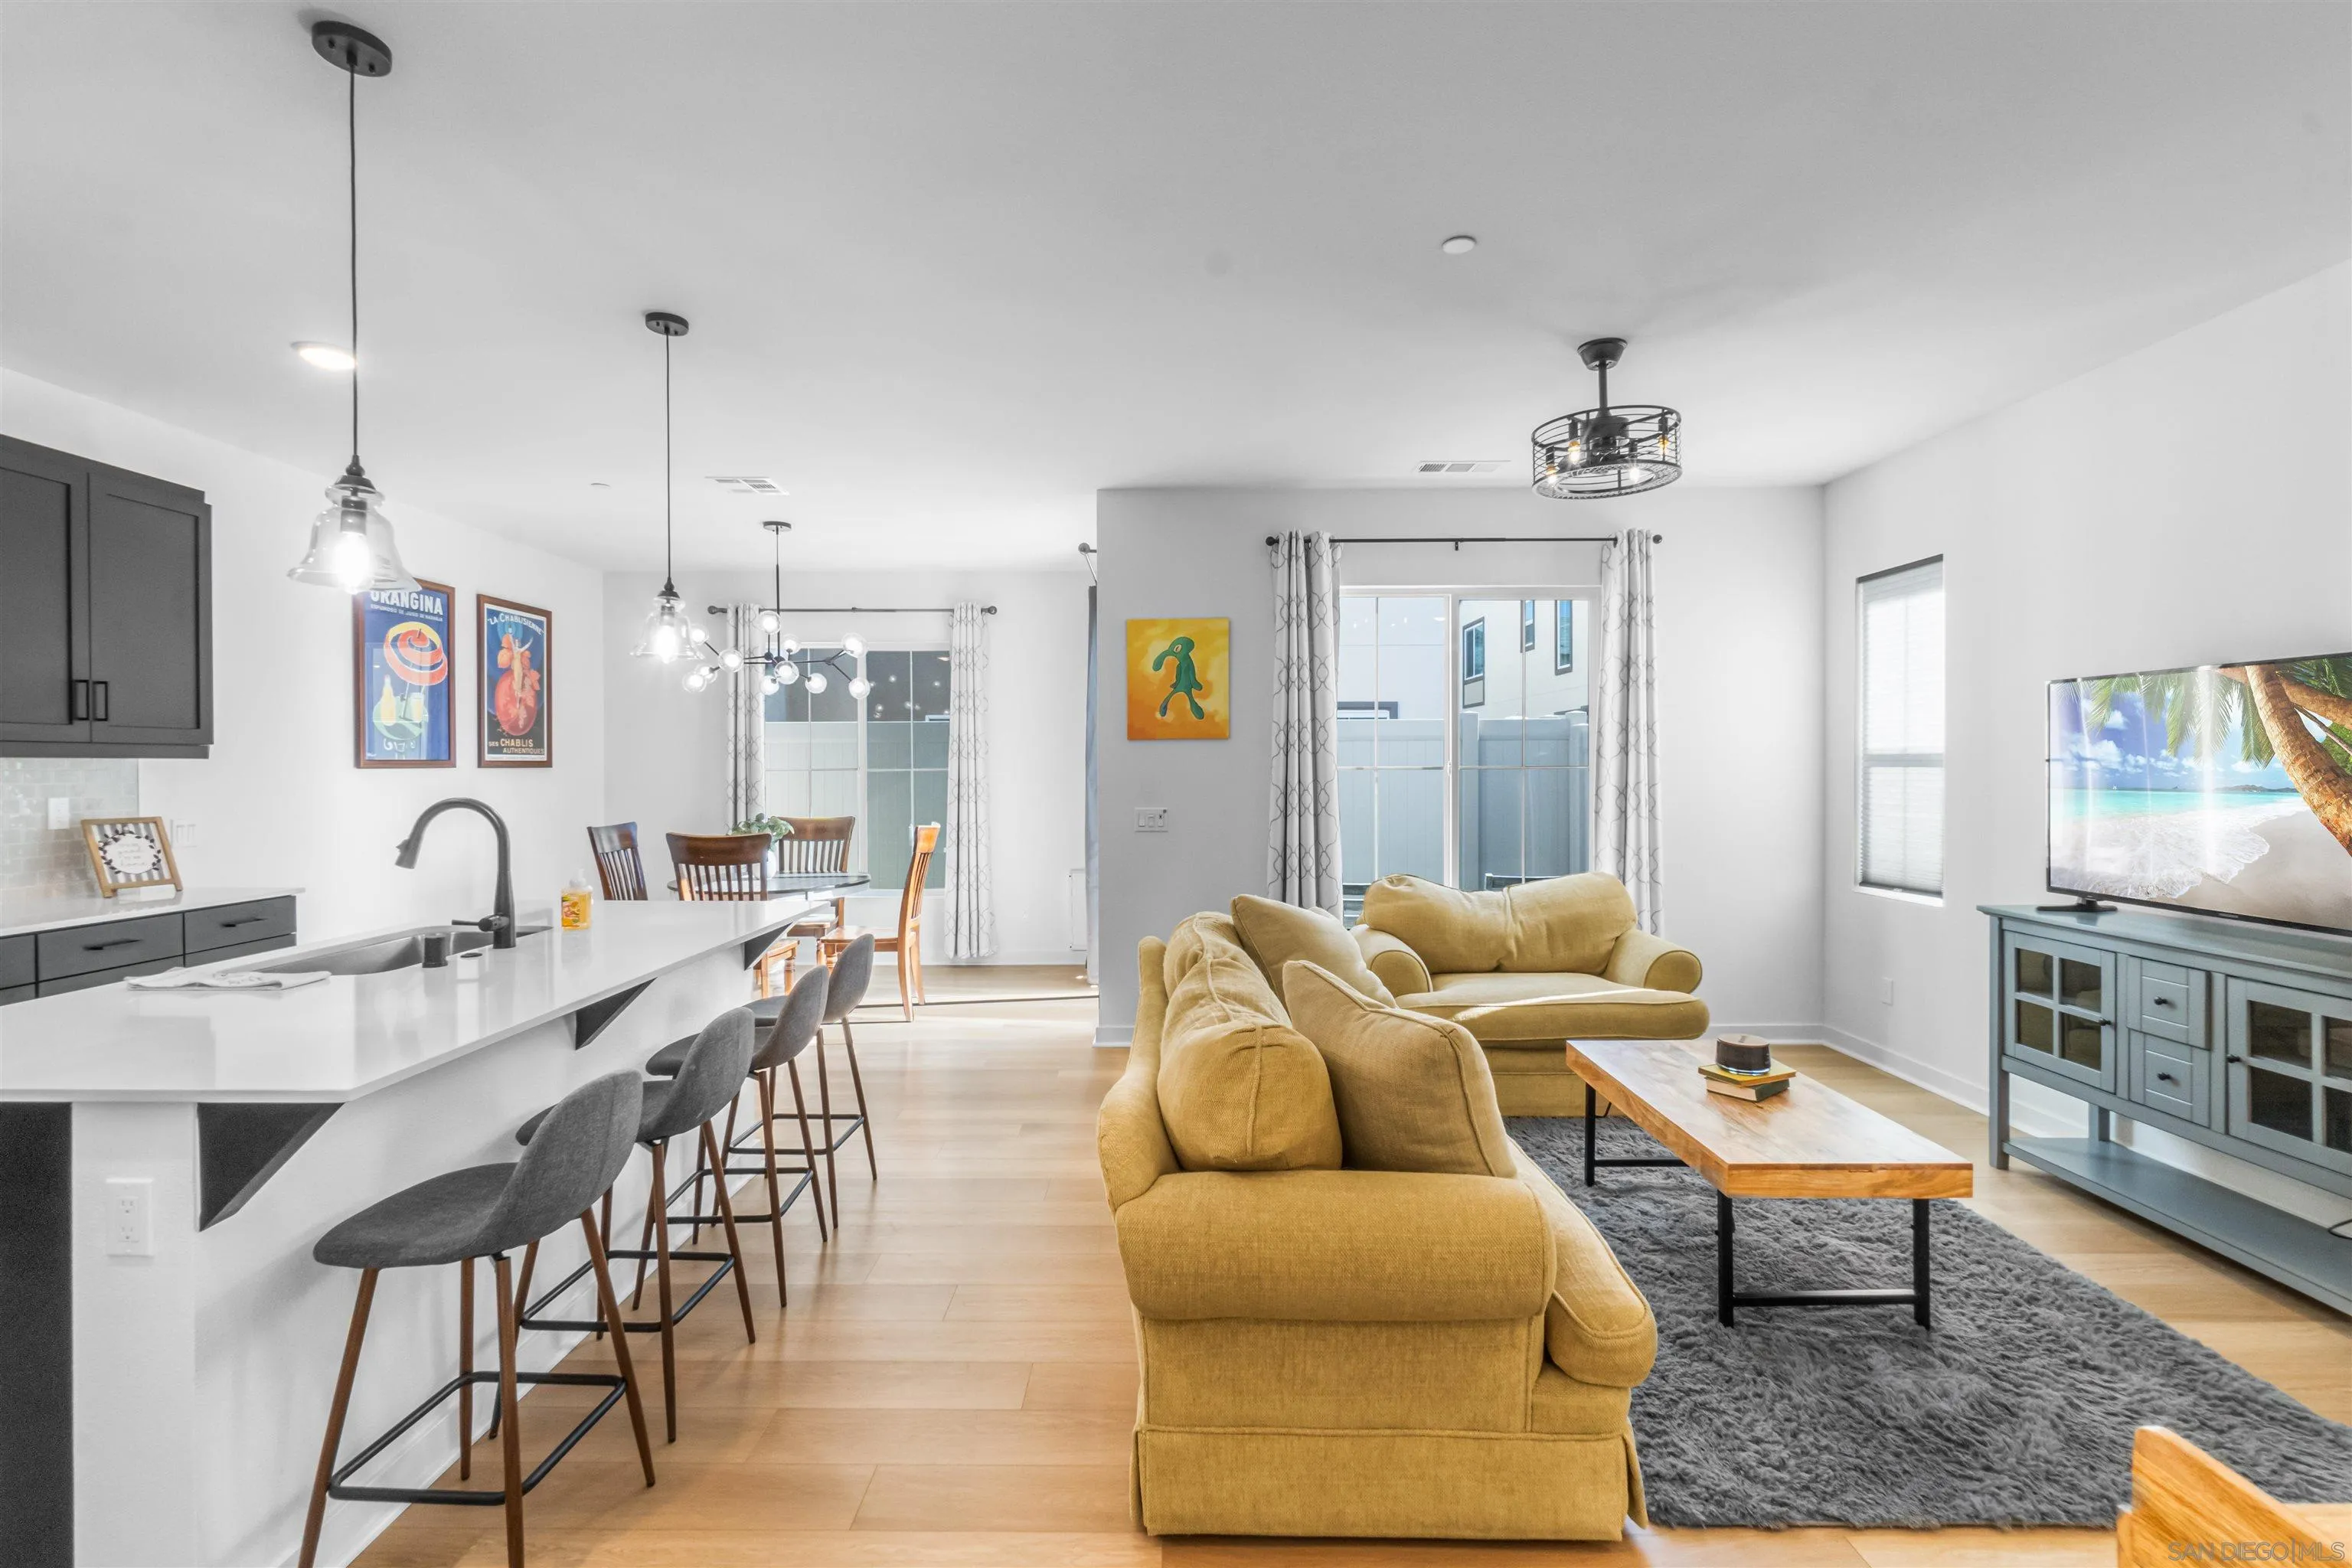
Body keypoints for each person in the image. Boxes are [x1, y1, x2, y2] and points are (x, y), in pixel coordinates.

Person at [1152, 635, 1206, 720]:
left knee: (1190, 698)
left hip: (1187, 686)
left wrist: (1194, 683)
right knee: (1174, 696)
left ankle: (1196, 710)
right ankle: (1164, 707)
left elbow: (1191, 673)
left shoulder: (1188, 662)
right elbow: (1179, 673)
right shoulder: (1180, 665)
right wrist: (1177, 682)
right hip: (1179, 685)